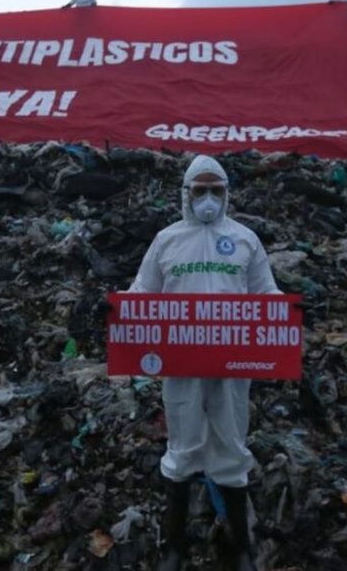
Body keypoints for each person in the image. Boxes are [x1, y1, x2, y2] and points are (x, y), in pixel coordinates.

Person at [127, 155, 280, 571]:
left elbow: (266, 294)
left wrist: (287, 316)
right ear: (186, 194)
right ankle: (175, 547)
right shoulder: (168, 240)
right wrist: (122, 311)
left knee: (231, 444)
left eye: (217, 190)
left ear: (227, 194)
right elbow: (144, 291)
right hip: (181, 361)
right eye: (201, 190)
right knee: (183, 446)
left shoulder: (245, 239)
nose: (208, 198)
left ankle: (241, 548)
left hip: (233, 363)